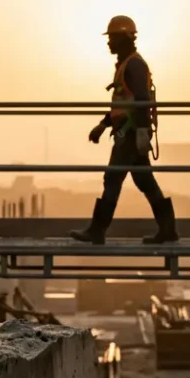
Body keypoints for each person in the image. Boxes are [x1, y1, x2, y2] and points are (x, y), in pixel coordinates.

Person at [70, 15, 178, 244]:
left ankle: (97, 230)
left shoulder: (134, 65)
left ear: (126, 38)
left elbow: (141, 100)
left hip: (130, 133)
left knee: (112, 178)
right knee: (144, 180)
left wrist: (140, 133)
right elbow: (124, 104)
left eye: (113, 38)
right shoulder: (126, 65)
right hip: (128, 130)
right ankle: (168, 230)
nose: (109, 43)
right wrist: (104, 123)